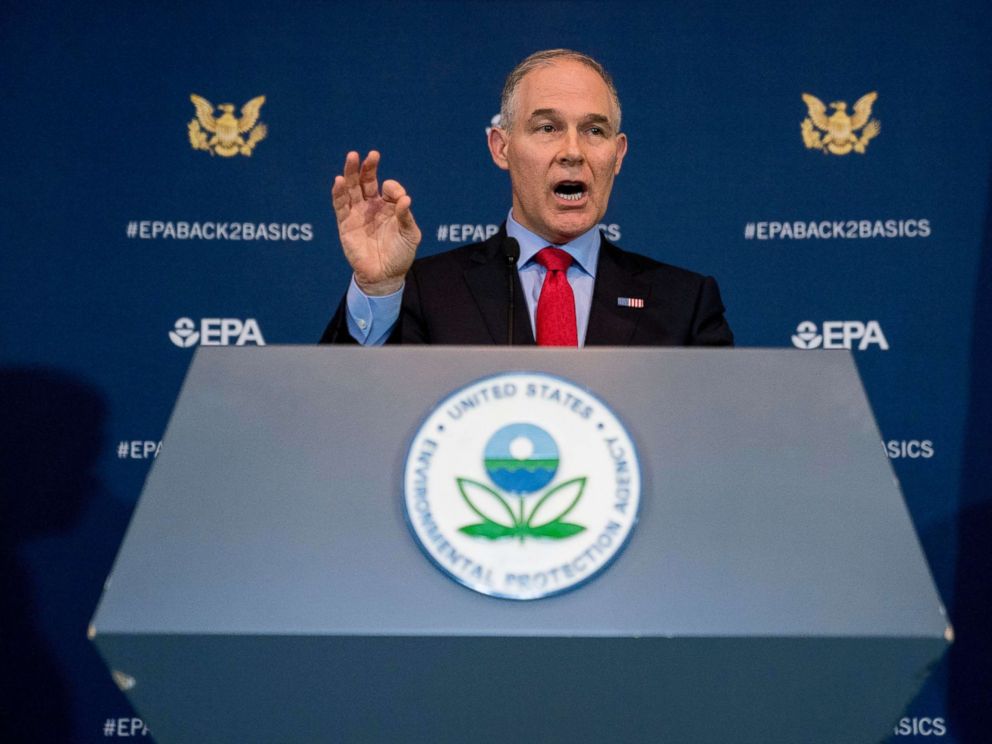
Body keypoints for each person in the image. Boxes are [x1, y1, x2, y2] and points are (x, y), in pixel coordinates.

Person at [320, 49, 733, 347]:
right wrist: (377, 289)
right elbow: (344, 412)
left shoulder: (685, 303)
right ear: (501, 147)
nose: (573, 151)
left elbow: (719, 442)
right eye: (547, 127)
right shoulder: (426, 291)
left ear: (618, 154)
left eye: (594, 131)